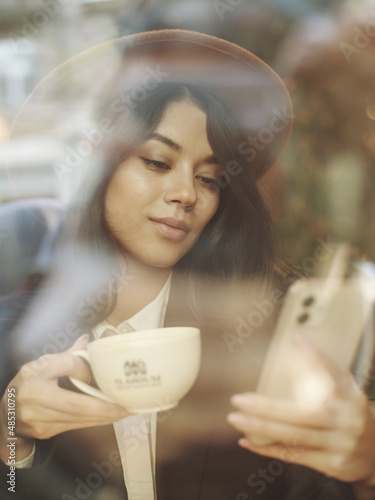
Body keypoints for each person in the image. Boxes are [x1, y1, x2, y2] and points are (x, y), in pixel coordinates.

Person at [0, 29, 374, 500]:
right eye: (158, 162)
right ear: (98, 167)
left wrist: (366, 467)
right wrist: (11, 434)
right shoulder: (19, 334)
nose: (186, 194)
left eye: (210, 179)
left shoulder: (258, 329)